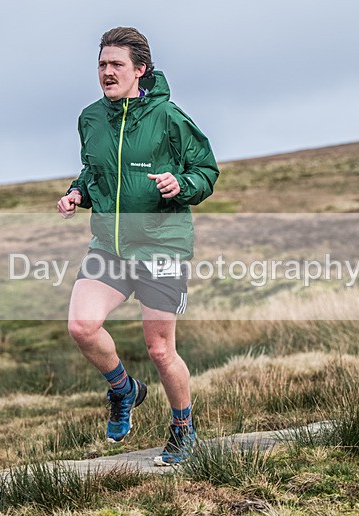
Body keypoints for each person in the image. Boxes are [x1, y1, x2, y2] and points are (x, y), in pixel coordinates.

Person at [56, 27, 219, 466]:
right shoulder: (90, 118)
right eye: (102, 65)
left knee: (160, 349)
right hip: (110, 245)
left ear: (139, 70)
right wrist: (78, 194)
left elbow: (206, 170)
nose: (107, 72)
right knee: (81, 326)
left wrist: (179, 183)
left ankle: (184, 429)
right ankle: (124, 389)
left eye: (116, 65)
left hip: (161, 245)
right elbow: (93, 174)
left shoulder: (169, 118)